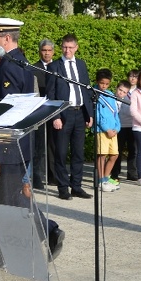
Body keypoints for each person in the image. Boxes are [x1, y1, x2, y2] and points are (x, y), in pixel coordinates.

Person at [0, 17, 64, 259]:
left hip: (9, 146)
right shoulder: (21, 62)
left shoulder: (9, 67)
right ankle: (8, 247)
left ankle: (47, 230)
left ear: (6, 38)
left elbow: (7, 113)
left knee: (9, 200)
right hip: (19, 143)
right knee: (12, 198)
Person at [46, 34, 93, 199]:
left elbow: (86, 89)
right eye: (65, 47)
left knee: (78, 152)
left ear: (76, 48)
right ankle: (63, 188)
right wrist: (55, 116)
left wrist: (89, 113)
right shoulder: (54, 66)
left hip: (80, 113)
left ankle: (76, 186)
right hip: (64, 114)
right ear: (61, 47)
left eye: (71, 47)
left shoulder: (81, 64)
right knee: (61, 153)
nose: (67, 50)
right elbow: (51, 94)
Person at [32, 39, 59, 190]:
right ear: (39, 51)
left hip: (56, 112)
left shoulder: (59, 67)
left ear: (53, 52)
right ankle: (38, 176)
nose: (47, 53)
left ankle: (54, 176)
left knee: (54, 145)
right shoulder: (33, 69)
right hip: (40, 111)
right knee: (39, 146)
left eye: (49, 50)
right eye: (44, 50)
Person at [92, 69, 121, 192]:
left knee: (114, 155)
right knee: (102, 155)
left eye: (107, 84)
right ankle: (101, 181)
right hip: (102, 131)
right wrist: (106, 129)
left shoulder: (110, 94)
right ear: (97, 81)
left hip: (113, 131)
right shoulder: (94, 93)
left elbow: (115, 113)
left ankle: (106, 178)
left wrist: (117, 128)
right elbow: (96, 114)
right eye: (101, 83)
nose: (104, 86)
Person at [110, 79, 134, 183]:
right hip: (116, 129)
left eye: (124, 92)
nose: (121, 93)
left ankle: (132, 173)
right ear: (116, 88)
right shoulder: (111, 99)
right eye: (120, 90)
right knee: (116, 151)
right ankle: (114, 174)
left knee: (132, 149)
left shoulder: (128, 101)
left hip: (129, 126)